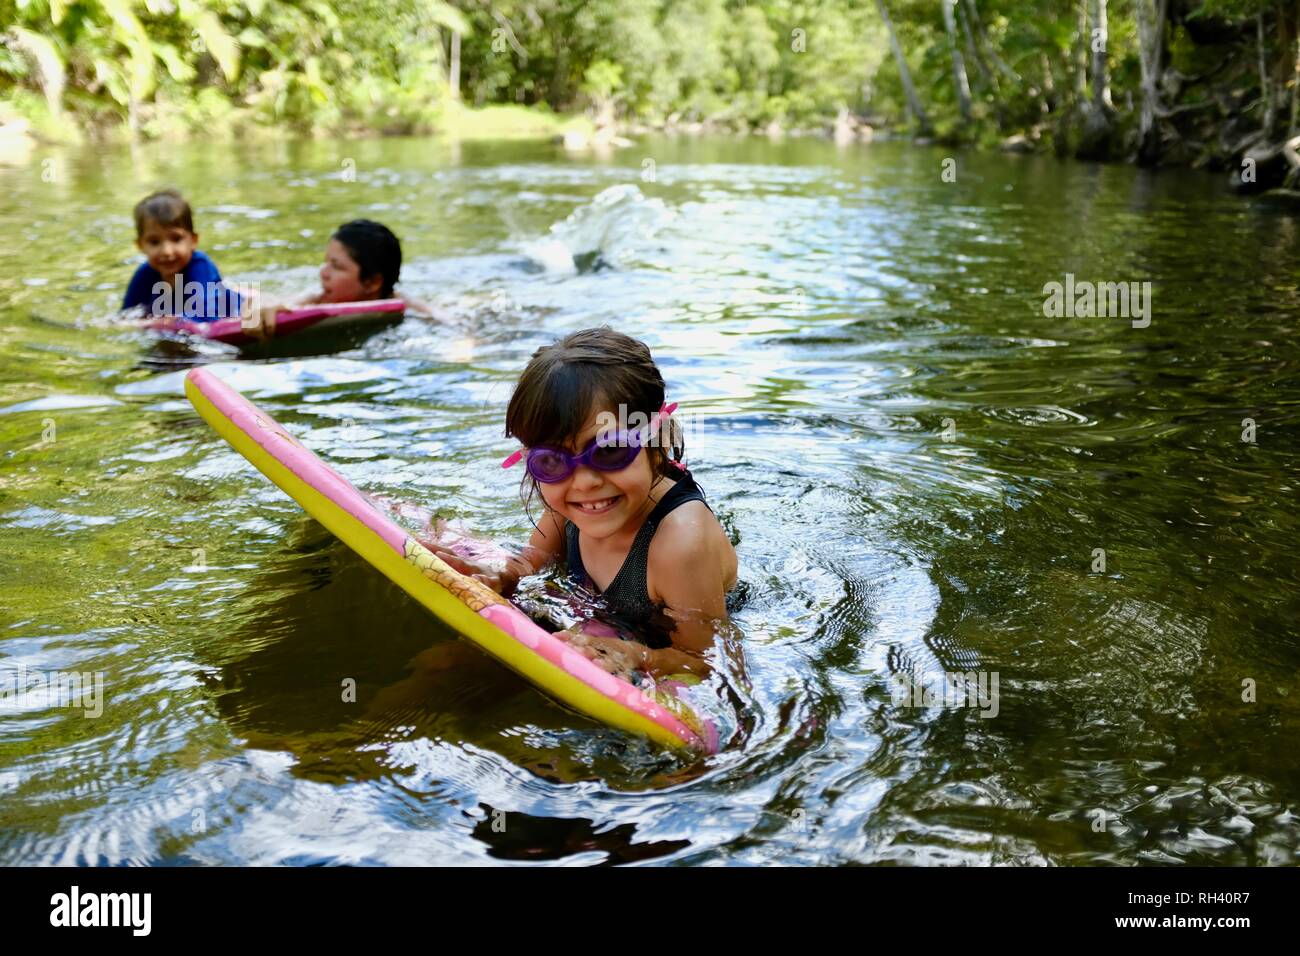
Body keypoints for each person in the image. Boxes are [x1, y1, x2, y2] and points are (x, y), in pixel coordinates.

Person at [424, 327, 738, 680]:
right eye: (551, 462)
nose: (585, 482)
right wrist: (503, 576)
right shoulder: (569, 502)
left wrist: (635, 654)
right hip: (605, 617)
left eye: (610, 450)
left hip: (665, 635)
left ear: (658, 437)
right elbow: (536, 561)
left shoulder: (680, 544)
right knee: (445, 662)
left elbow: (707, 661)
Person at [244, 219, 428, 338]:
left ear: (372, 282)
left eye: (337, 266)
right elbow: (284, 306)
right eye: (326, 263)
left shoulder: (404, 306)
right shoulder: (316, 298)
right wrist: (264, 307)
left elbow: (447, 323)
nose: (323, 273)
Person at [123, 189, 243, 321]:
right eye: (154, 242)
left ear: (193, 240)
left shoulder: (200, 266)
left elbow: (208, 316)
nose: (167, 251)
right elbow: (126, 314)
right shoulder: (144, 273)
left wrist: (175, 321)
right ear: (141, 246)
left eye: (176, 239)